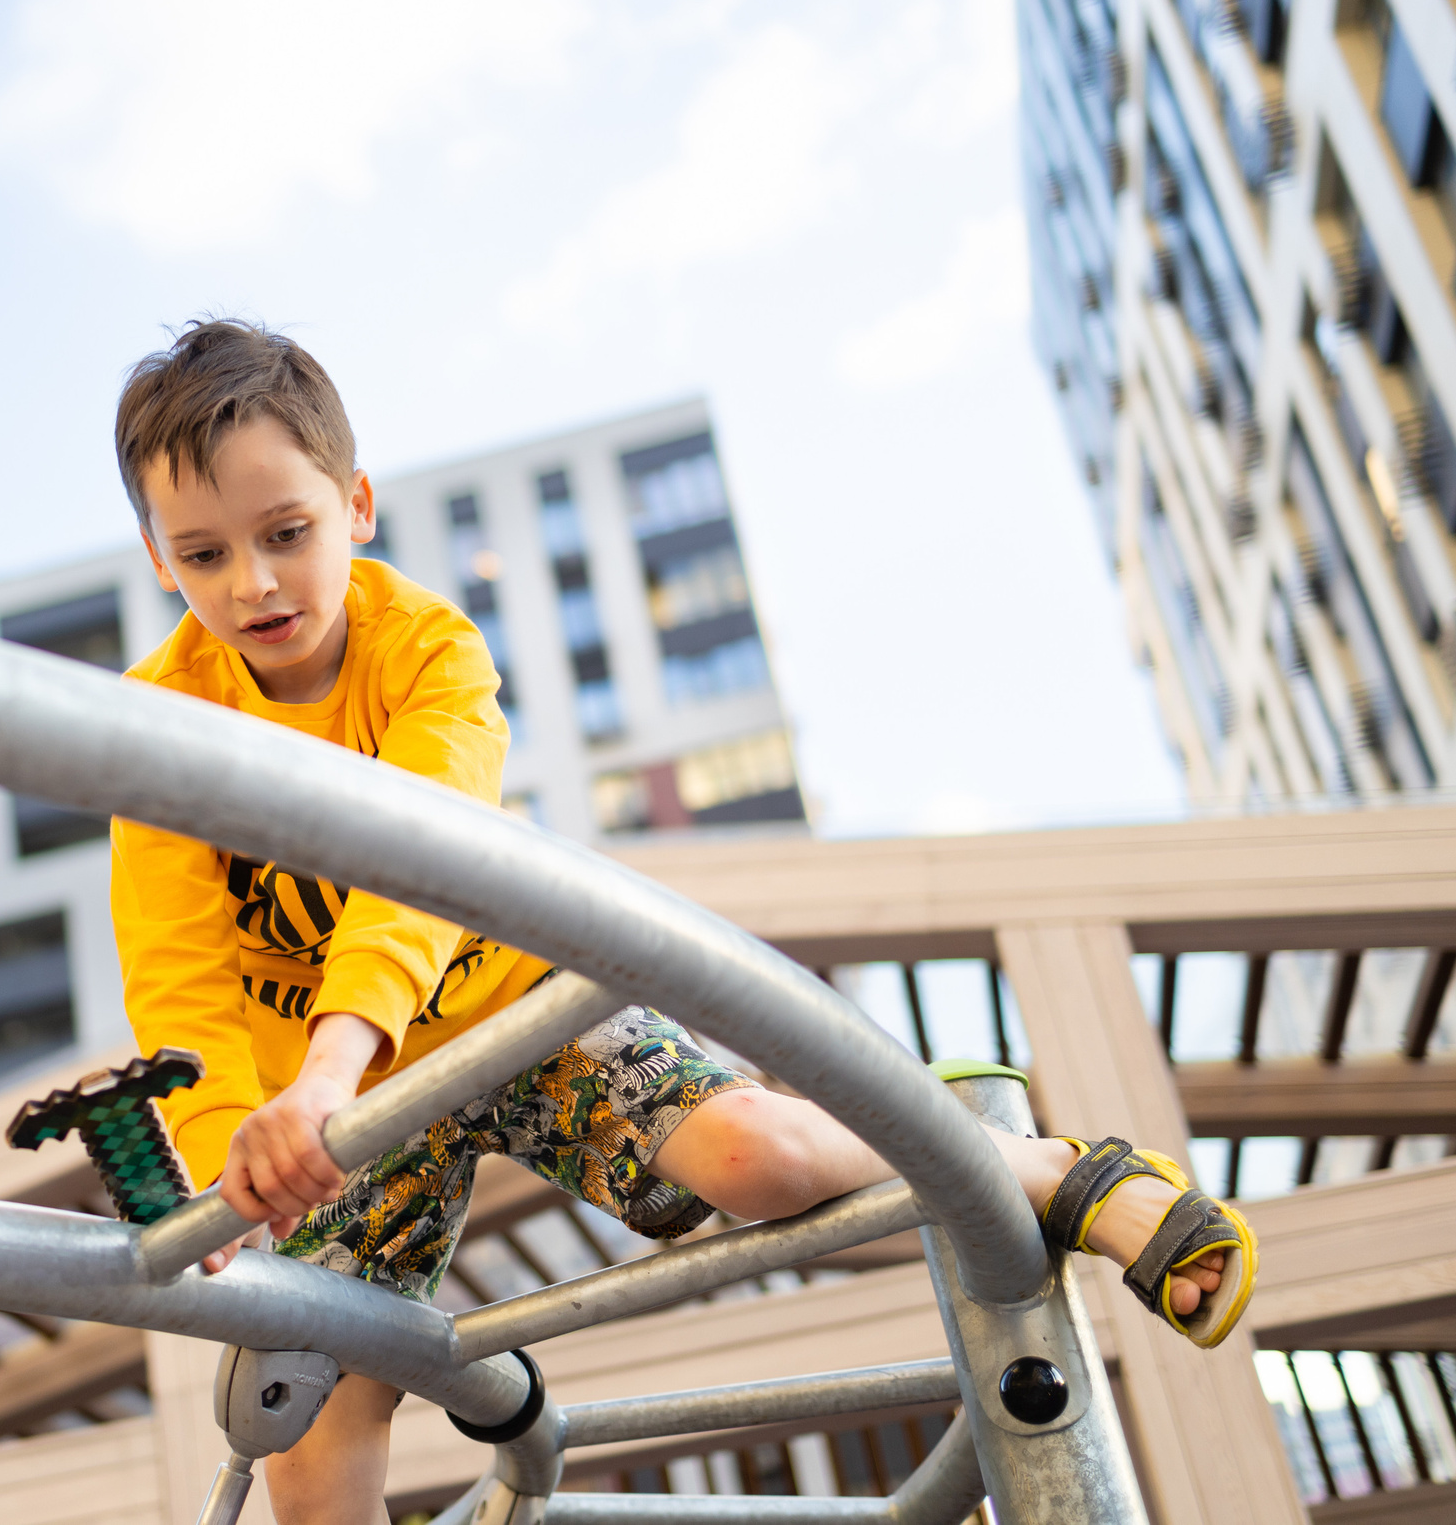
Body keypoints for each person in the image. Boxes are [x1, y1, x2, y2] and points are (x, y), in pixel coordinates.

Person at [107, 319, 1254, 1525]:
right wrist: (234, 1167)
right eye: (203, 553)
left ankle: (1045, 1167)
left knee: (757, 1161)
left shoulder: (429, 653)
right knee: (311, 1428)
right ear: (156, 558)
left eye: (286, 533)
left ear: (356, 506)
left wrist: (330, 1075)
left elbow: (416, 875)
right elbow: (175, 972)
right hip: (343, 1109)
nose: (254, 583)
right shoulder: (164, 724)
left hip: (510, 1017)